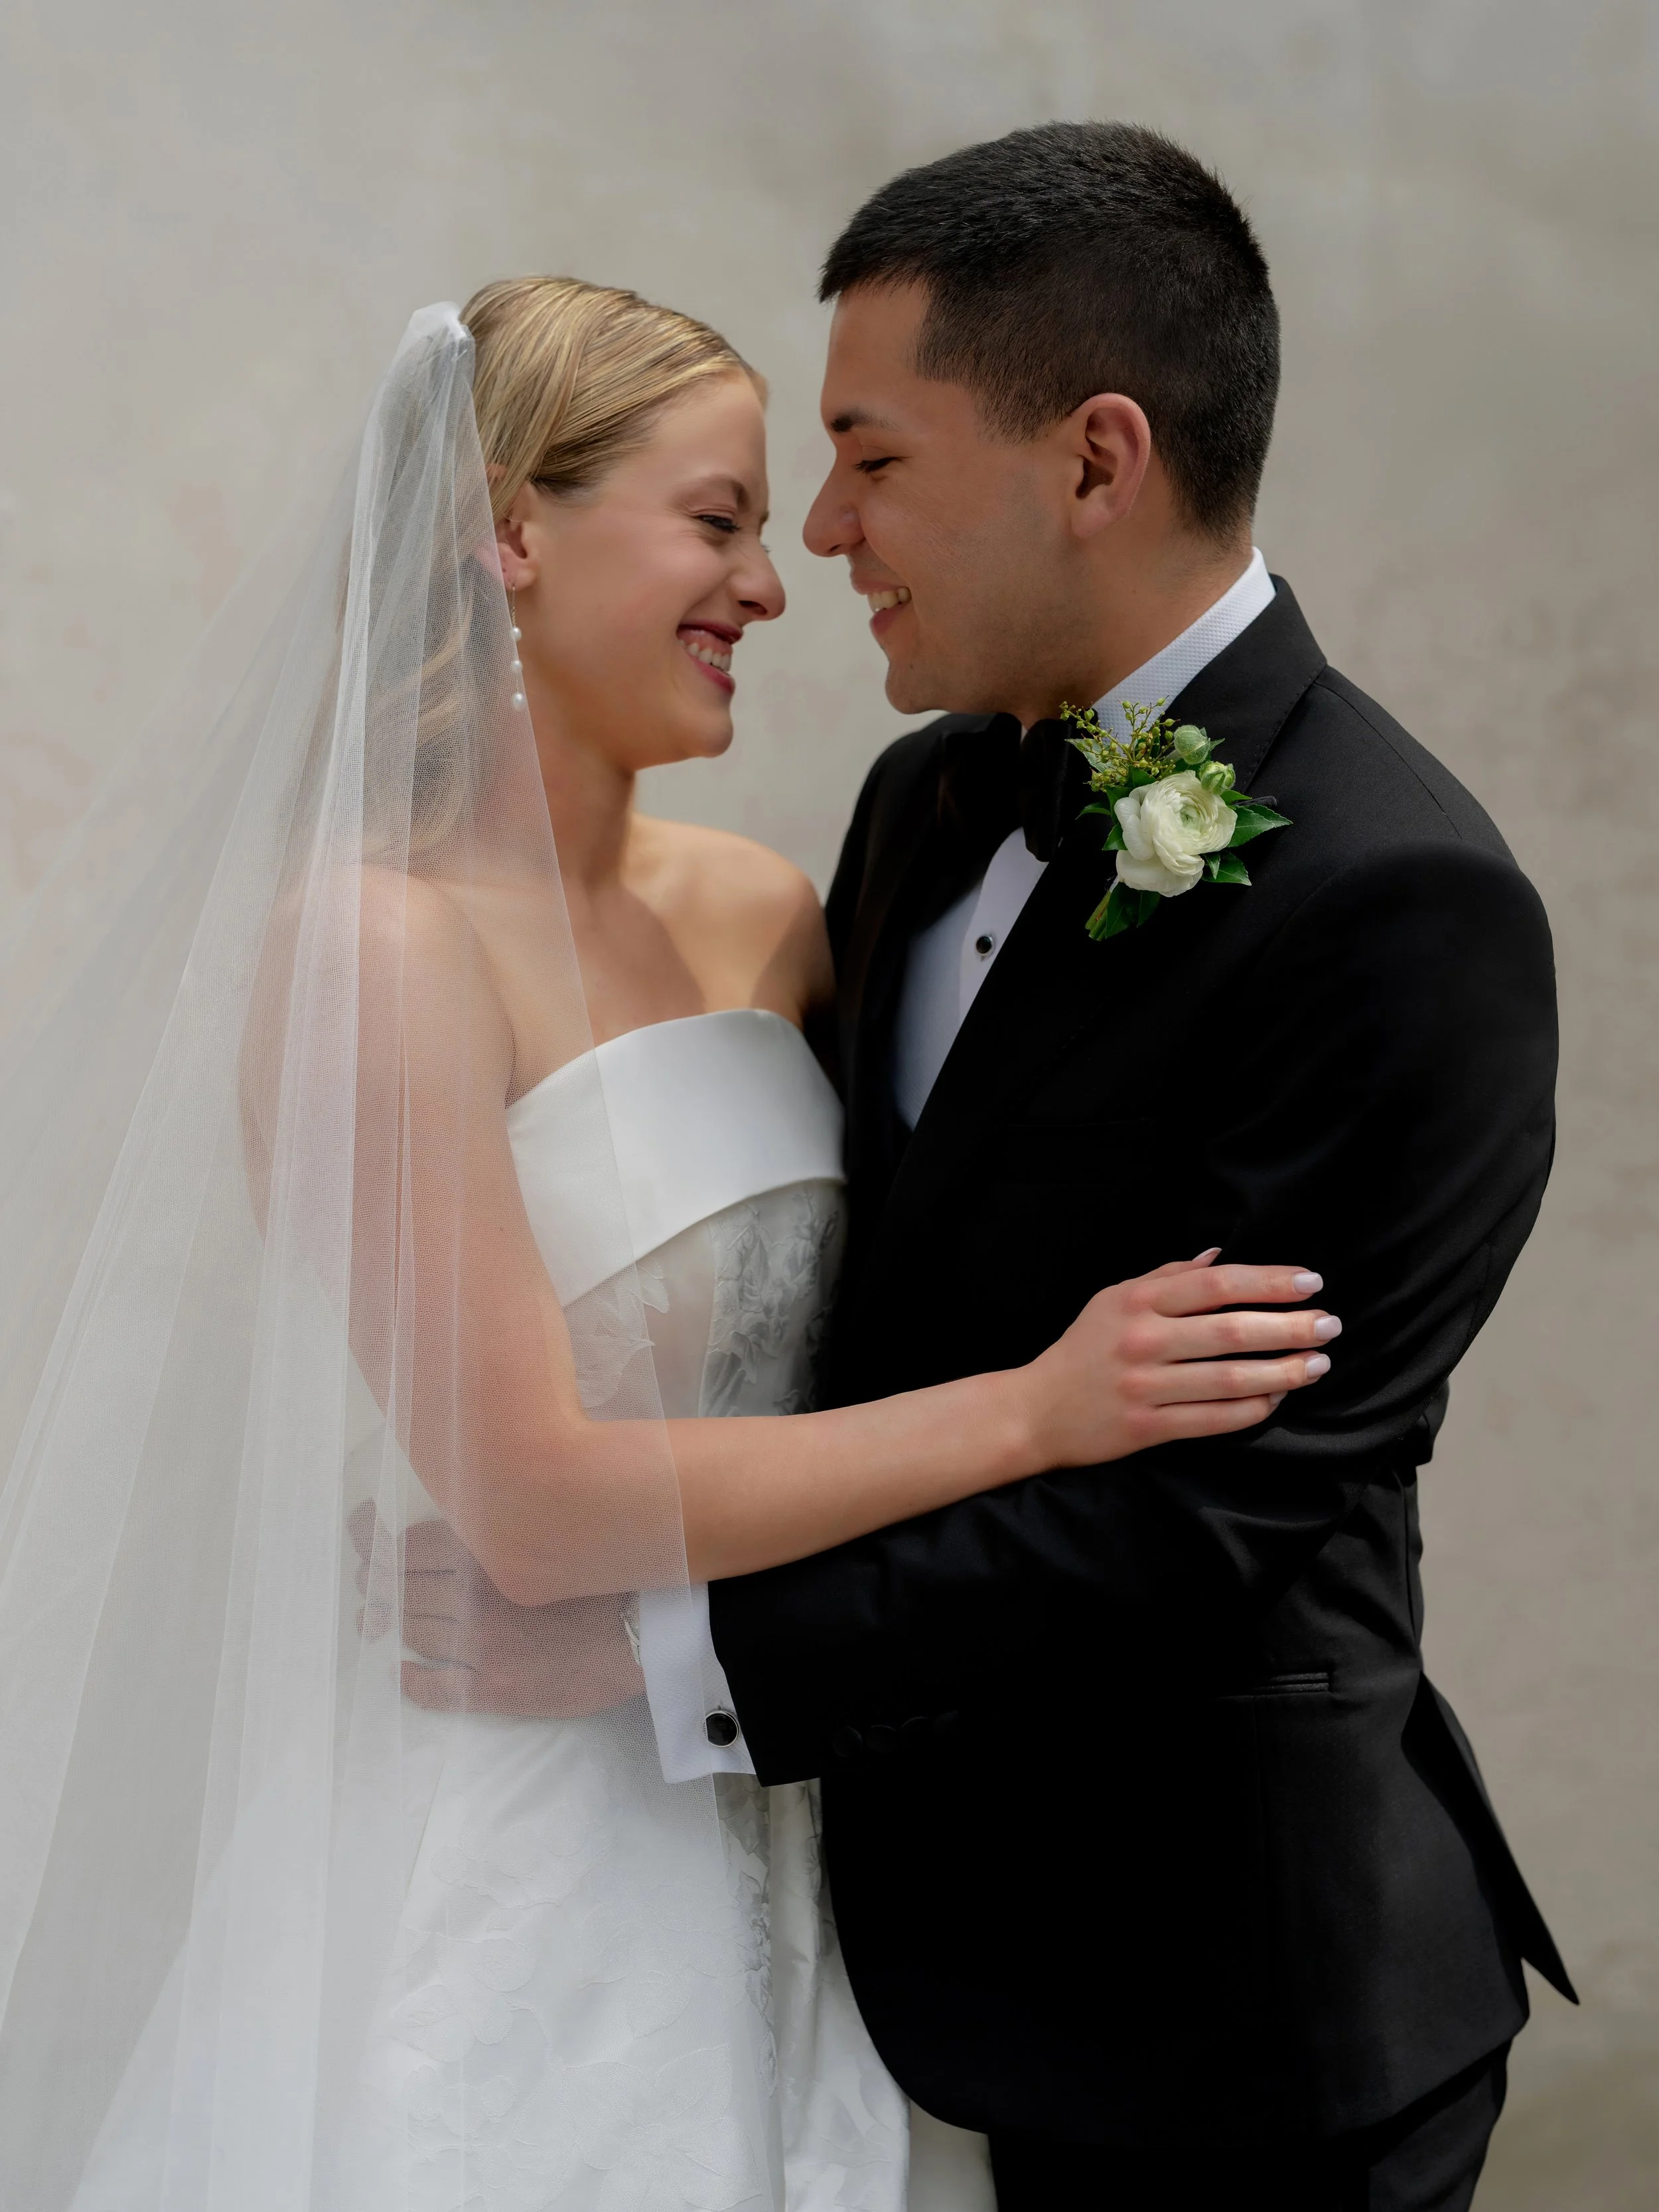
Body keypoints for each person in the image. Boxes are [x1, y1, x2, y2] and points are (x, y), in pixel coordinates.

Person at [0, 279, 1331, 2210]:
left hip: (787, 1808)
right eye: (714, 518)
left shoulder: (772, 908)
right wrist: (1038, 1414)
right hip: (504, 1822)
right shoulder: (375, 945)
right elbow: (534, 1503)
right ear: (511, 533)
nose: (773, 580)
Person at [434, 127, 1575, 2212]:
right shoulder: (927, 795)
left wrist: (665, 1658)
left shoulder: (1404, 901)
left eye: (870, 457)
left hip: (1228, 2012)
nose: (822, 535)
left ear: (1094, 456)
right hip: (861, 1962)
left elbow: (1215, 1507)